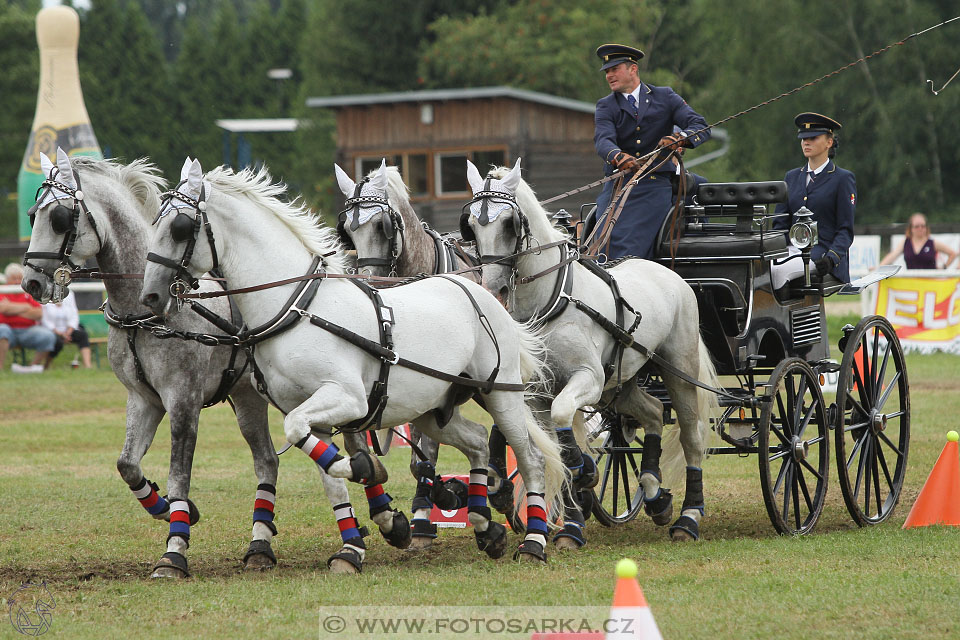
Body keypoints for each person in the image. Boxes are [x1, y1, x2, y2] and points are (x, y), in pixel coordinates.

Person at [591, 43, 711, 260]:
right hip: (619, 183)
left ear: (633, 69)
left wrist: (679, 140)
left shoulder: (664, 96)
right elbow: (603, 140)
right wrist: (617, 156)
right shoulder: (605, 106)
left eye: (614, 69)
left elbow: (699, 125)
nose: (609, 75)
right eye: (607, 71)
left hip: (654, 184)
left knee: (632, 246)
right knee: (600, 241)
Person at [773, 112, 855, 285]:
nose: (806, 142)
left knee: (778, 272)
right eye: (803, 138)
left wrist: (831, 258)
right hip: (790, 251)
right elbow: (780, 225)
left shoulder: (842, 179)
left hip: (822, 254)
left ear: (829, 142)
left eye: (813, 138)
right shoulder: (791, 177)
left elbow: (845, 230)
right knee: (759, 269)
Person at [0, 263, 57, 372]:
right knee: (3, 330)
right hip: (7, 330)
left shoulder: (28, 292)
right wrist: (26, 308)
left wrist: (10, 309)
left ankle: (31, 368)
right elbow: (1, 309)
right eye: (13, 279)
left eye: (19, 278)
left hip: (27, 330)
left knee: (48, 336)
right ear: (7, 280)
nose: (17, 282)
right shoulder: (2, 291)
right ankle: (0, 369)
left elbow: (38, 314)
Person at [879, 213, 958, 269]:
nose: (920, 229)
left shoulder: (932, 243)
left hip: (931, 283)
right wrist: (879, 267)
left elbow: (952, 254)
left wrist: (943, 268)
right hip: (912, 284)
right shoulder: (905, 242)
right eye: (917, 226)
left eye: (923, 226)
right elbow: (892, 256)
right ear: (911, 228)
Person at [40, 290, 93, 369]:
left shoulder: (69, 294)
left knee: (83, 335)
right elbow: (44, 320)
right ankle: (46, 365)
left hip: (67, 330)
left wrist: (68, 332)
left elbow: (74, 315)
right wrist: (60, 334)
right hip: (51, 331)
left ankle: (88, 366)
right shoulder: (44, 293)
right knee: (57, 342)